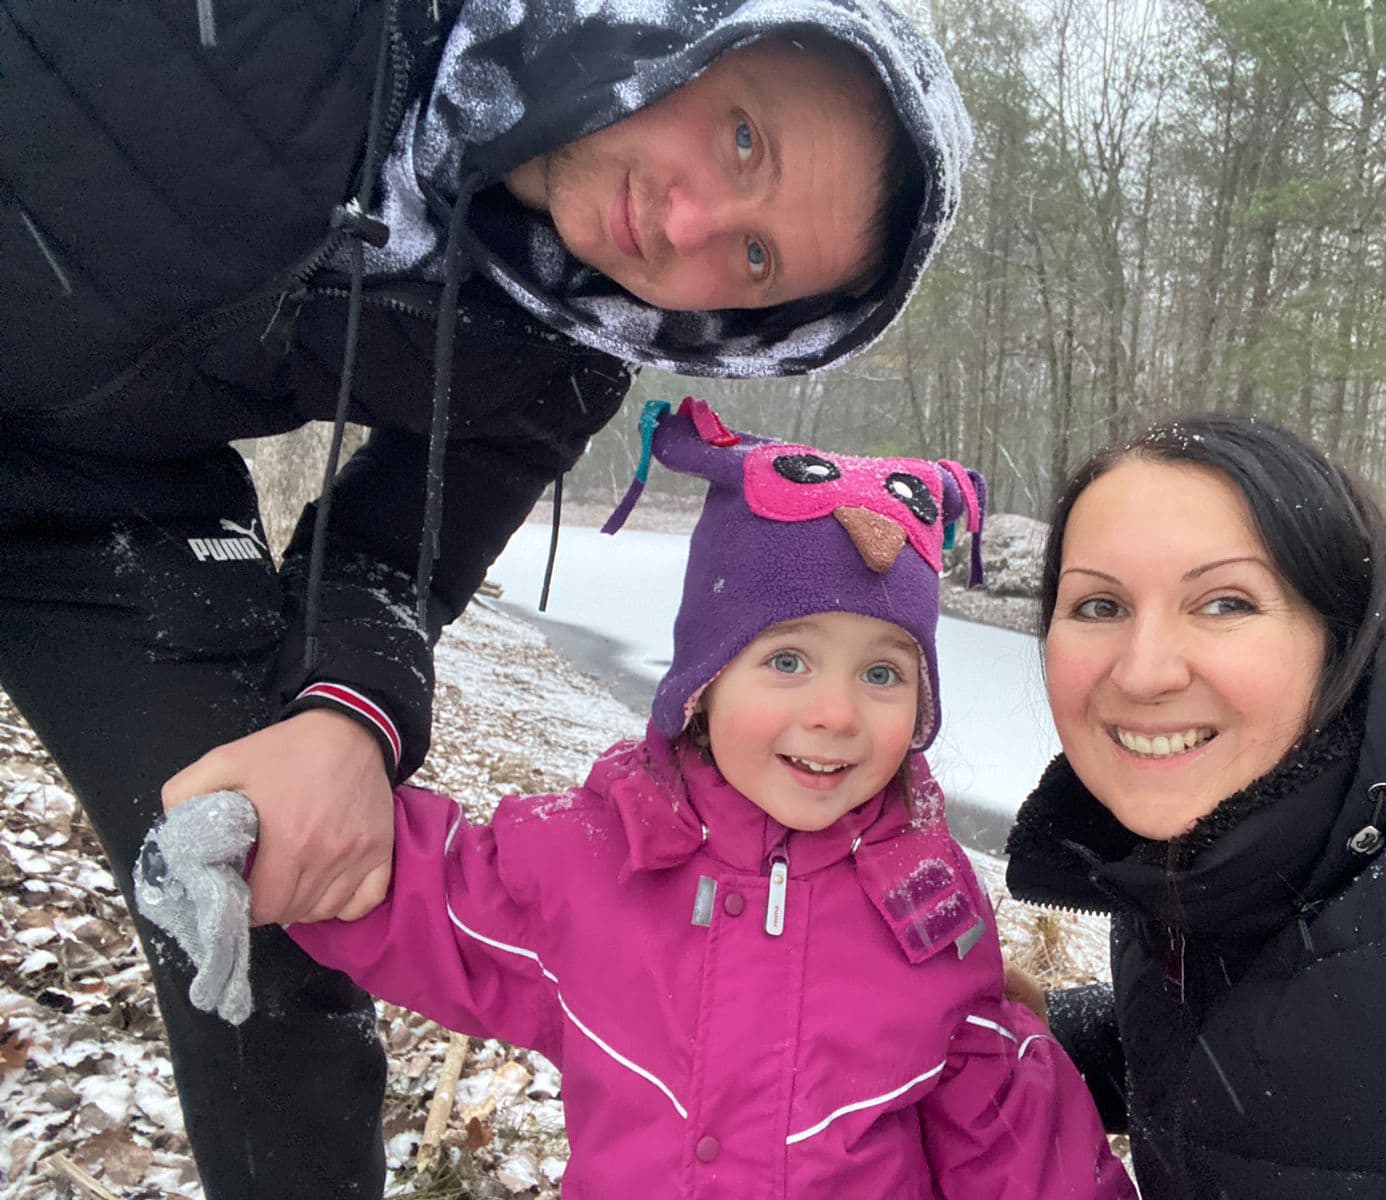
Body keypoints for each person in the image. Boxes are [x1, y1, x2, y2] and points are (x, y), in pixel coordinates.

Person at [0, 1, 970, 1194]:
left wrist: (344, 717)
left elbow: (392, 559)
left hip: (101, 505)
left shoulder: (560, 355)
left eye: (757, 262)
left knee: (262, 894)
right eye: (741, 140)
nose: (689, 228)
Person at [140, 397, 1136, 1197]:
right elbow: (429, 898)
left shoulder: (929, 900)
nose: (836, 712)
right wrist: (266, 839)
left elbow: (1003, 1119)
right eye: (786, 660)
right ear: (702, 683)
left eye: (883, 674)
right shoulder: (596, 855)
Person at [1003, 412, 1386, 1199]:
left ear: (1341, 629)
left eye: (1224, 604)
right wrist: (1034, 1038)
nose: (1142, 672)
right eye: (1099, 607)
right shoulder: (1206, 842)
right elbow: (1281, 1038)